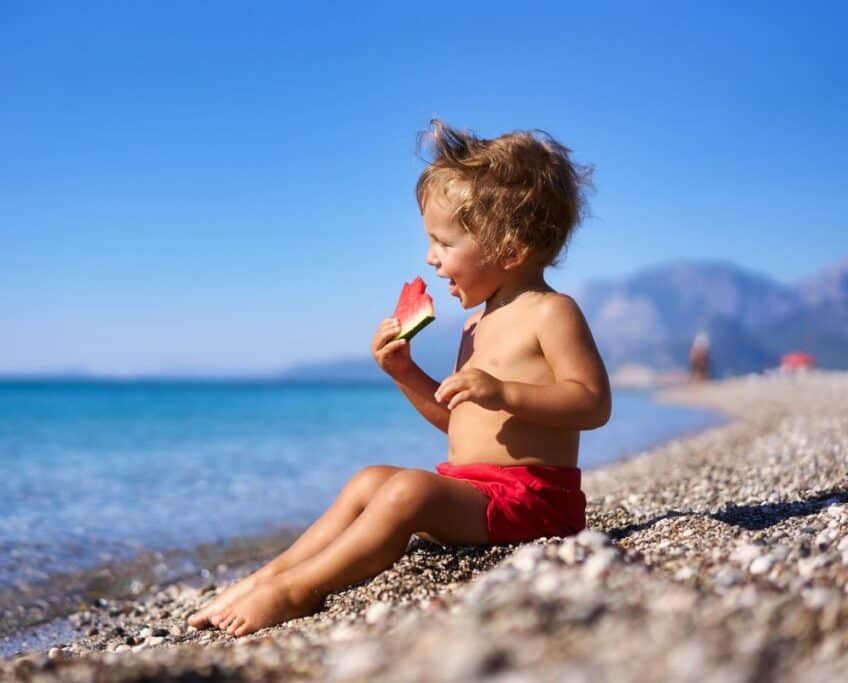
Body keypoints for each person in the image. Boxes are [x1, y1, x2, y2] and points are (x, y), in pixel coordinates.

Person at [187, 118, 611, 637]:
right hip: (475, 491)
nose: (431, 259)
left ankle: (301, 590)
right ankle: (269, 574)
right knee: (371, 479)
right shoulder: (477, 324)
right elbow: (462, 429)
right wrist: (406, 374)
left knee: (410, 491)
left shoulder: (552, 312)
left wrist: (503, 392)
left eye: (444, 243)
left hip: (536, 503)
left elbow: (592, 403)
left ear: (511, 248)